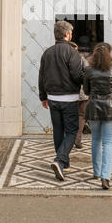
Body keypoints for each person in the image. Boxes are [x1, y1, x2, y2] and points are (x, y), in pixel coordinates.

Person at [39, 21, 83, 181]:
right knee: (72, 131)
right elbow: (77, 75)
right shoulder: (72, 53)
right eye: (71, 33)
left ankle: (64, 164)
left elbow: (41, 76)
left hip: (52, 98)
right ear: (67, 34)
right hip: (69, 98)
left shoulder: (47, 53)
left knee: (58, 131)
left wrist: (43, 96)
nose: (71, 35)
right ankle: (59, 160)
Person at [83, 42, 112, 190]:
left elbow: (86, 90)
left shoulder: (89, 70)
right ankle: (105, 177)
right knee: (108, 143)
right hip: (111, 109)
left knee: (95, 140)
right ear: (110, 54)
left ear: (94, 55)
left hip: (94, 108)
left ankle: (96, 172)